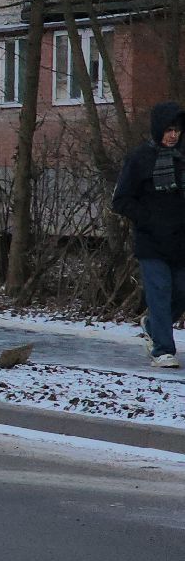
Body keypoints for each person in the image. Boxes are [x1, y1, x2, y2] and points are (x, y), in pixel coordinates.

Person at [113, 101, 185, 369]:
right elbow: (120, 200)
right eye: (168, 130)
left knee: (181, 290)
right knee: (160, 291)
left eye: (177, 130)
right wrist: (148, 219)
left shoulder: (182, 158)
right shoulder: (139, 158)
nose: (173, 136)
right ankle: (163, 350)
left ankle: (153, 325)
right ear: (158, 130)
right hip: (151, 241)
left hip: (180, 242)